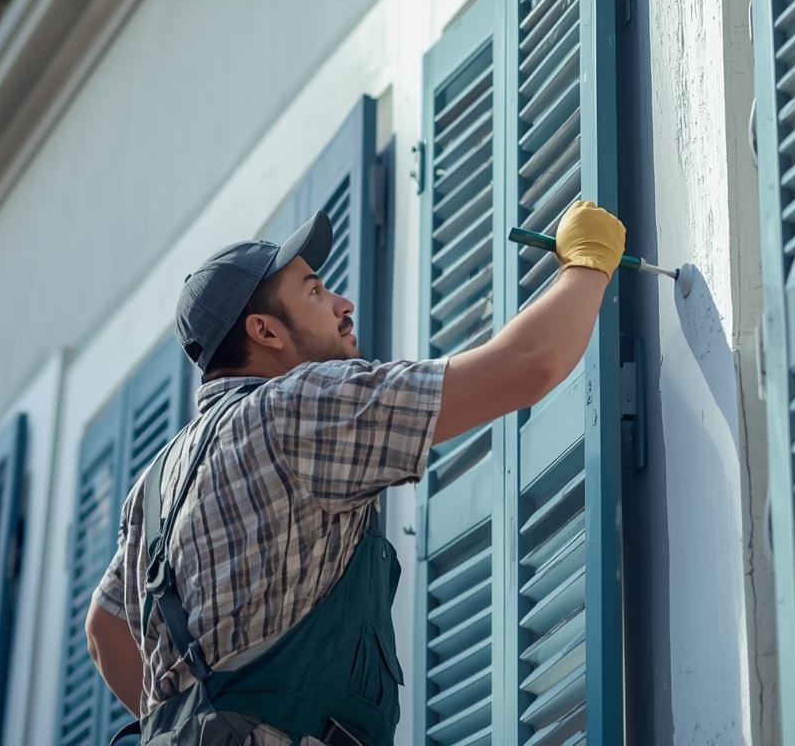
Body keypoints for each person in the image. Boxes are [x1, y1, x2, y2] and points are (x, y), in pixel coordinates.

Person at [83, 199, 626, 745]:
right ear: (266, 332)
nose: (343, 303)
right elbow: (529, 362)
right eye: (315, 291)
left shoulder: (153, 487)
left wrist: (205, 721)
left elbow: (105, 630)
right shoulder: (293, 411)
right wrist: (587, 262)